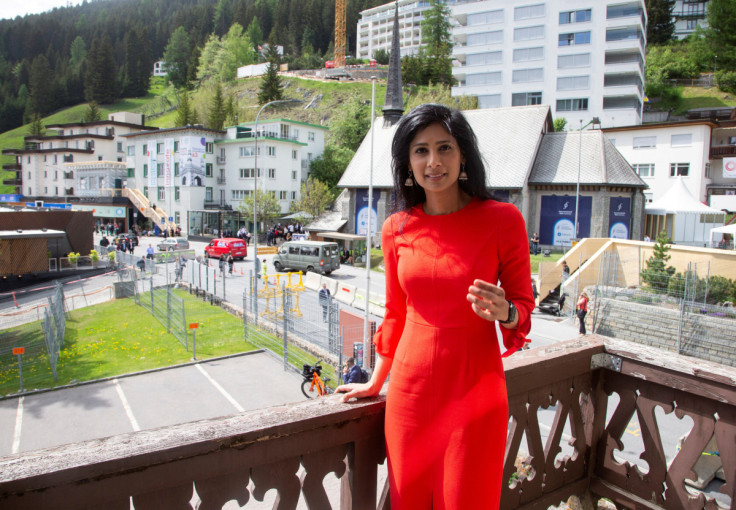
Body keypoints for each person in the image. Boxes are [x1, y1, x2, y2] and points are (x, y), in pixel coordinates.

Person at [335, 104, 534, 509]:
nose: (434, 161)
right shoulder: (396, 228)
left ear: (463, 156)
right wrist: (377, 381)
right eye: (421, 151)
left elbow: (523, 308)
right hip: (410, 395)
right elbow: (395, 313)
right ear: (408, 163)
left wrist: (507, 313)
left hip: (474, 393)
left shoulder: (503, 219)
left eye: (445, 148)